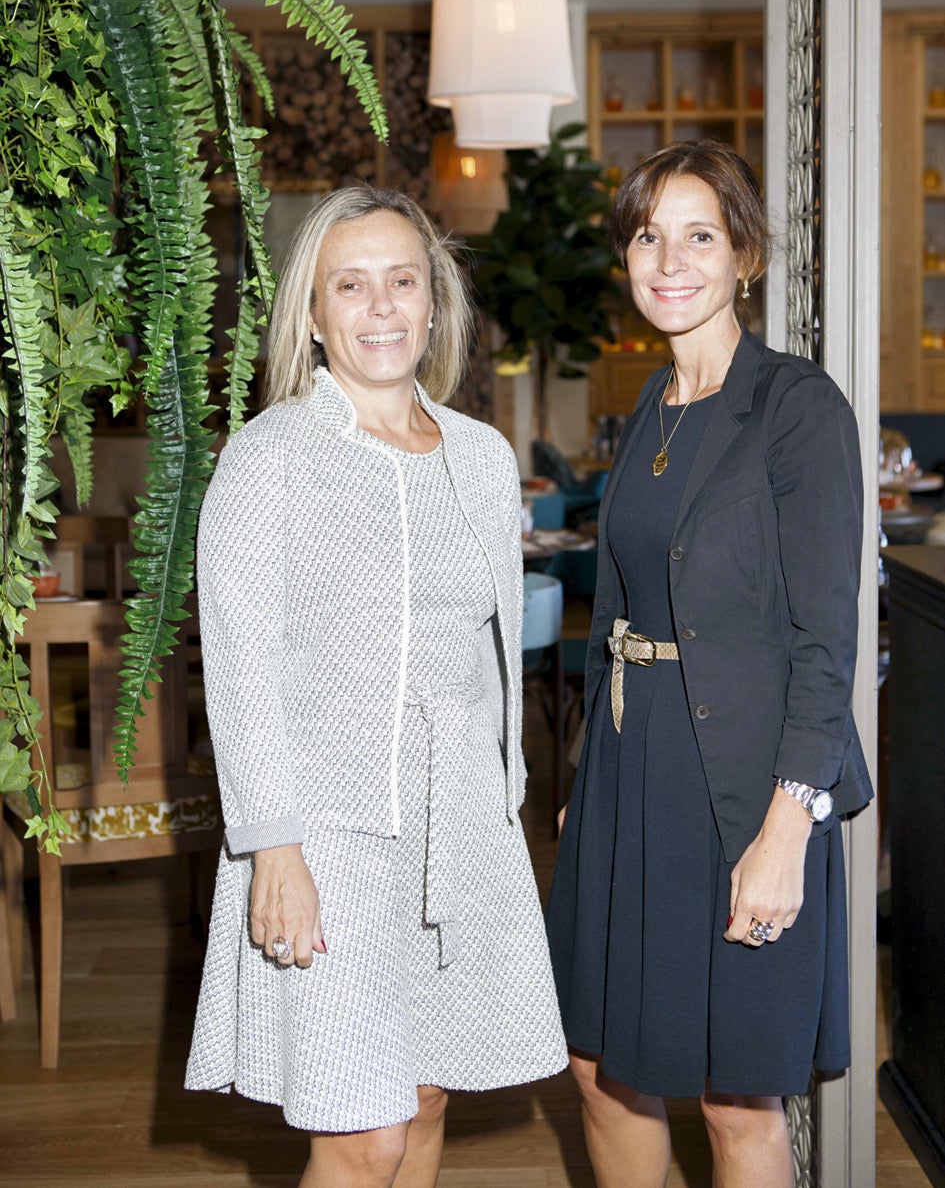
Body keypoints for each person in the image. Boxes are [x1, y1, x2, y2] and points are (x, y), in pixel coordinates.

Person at [186, 185, 566, 1188]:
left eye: (403, 280)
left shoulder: (483, 459)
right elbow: (239, 664)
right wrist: (274, 843)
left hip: (459, 831)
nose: (382, 306)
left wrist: (505, 800)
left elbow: (488, 655)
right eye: (350, 285)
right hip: (330, 833)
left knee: (429, 1093)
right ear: (312, 314)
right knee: (363, 1133)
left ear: (434, 301)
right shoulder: (268, 460)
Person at [544, 140, 873, 1187]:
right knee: (602, 1071)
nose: (668, 258)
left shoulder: (796, 405)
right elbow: (626, 610)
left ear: (744, 257)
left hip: (744, 789)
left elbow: (827, 642)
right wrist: (590, 774)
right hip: (633, 782)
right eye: (648, 235)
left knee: (738, 1101)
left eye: (698, 234)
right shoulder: (654, 405)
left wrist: (788, 825)